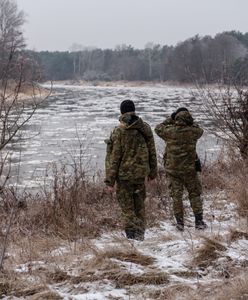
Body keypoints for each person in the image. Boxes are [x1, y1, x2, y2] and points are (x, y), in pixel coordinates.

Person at [104, 100, 157, 240]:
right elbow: (152, 151)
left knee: (127, 208)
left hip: (124, 177)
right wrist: (153, 173)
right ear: (134, 110)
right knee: (139, 207)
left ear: (121, 112)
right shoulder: (145, 128)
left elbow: (114, 158)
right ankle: (140, 236)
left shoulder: (119, 131)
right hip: (140, 175)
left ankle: (131, 238)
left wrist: (110, 181)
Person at [155, 108, 207, 231]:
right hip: (190, 171)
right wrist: (191, 122)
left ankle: (179, 223)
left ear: (176, 119)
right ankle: (199, 221)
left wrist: (171, 119)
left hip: (173, 171)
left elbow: (158, 127)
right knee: (194, 195)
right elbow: (200, 129)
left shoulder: (169, 131)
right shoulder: (194, 132)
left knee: (176, 197)